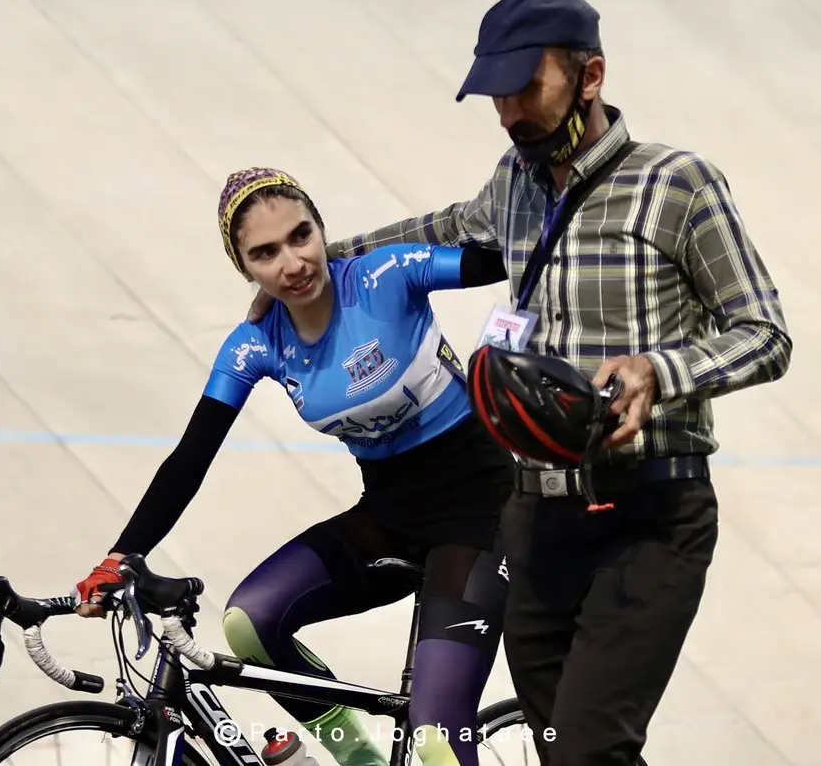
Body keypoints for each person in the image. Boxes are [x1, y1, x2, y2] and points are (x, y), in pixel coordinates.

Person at [248, 0, 793, 765]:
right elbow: (434, 229)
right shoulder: (516, 184)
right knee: (563, 750)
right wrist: (312, 266)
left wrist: (660, 371)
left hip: (648, 512)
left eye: (523, 88)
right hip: (537, 519)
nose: (508, 112)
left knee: (584, 749)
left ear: (591, 76)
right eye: (494, 95)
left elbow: (765, 333)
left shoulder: (678, 185)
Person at [73, 167, 518, 766]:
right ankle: (356, 756)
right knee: (250, 623)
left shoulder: (385, 276)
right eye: (265, 253)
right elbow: (190, 456)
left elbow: (504, 257)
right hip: (389, 516)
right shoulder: (256, 344)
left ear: (322, 231)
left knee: (438, 738)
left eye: (301, 236)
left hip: (482, 514)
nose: (292, 263)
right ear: (245, 269)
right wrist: (121, 554)